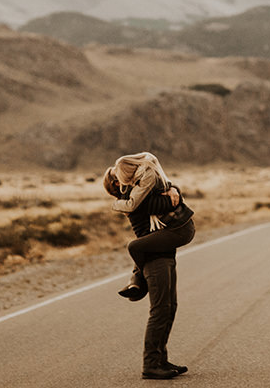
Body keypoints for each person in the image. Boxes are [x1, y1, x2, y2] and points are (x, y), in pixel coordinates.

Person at [104, 152, 196, 381]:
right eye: (116, 177)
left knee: (169, 307)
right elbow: (165, 200)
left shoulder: (139, 193)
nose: (123, 177)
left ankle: (160, 359)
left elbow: (164, 190)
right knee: (160, 310)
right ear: (116, 185)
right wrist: (174, 193)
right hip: (154, 259)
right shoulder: (131, 200)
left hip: (164, 253)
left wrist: (174, 188)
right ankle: (151, 364)